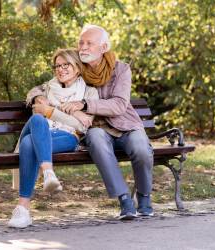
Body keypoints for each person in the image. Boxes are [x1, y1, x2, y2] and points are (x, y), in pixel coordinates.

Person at [59, 24, 155, 220]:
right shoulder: (76, 66)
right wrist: (36, 97)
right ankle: (125, 200)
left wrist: (85, 104)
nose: (83, 47)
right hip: (97, 128)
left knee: (142, 149)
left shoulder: (121, 69)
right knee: (95, 137)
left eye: (89, 43)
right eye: (81, 43)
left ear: (103, 48)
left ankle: (144, 198)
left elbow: (119, 105)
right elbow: (49, 83)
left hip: (126, 125)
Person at [8, 48, 99, 228]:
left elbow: (82, 125)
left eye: (66, 65)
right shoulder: (48, 87)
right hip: (41, 130)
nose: (61, 69)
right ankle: (48, 173)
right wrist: (38, 97)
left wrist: (51, 112)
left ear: (78, 68)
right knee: (36, 119)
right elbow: (32, 93)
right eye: (57, 65)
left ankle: (23, 208)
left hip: (68, 137)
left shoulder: (89, 93)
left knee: (28, 143)